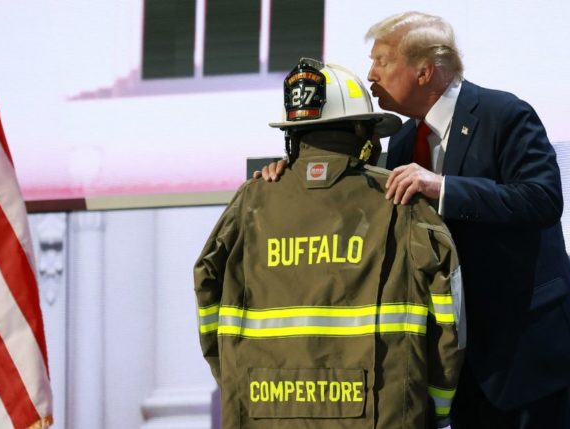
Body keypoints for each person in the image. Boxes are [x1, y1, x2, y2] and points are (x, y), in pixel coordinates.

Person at [257, 12, 570, 429]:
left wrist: (445, 187)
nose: (371, 75)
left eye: (381, 60)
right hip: (457, 355)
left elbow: (542, 199)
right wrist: (289, 174)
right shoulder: (403, 141)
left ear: (424, 71)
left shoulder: (504, 113)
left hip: (526, 352)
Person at [196, 59, 466, 428]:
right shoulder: (405, 206)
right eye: (372, 132)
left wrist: (236, 379)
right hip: (383, 413)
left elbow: (206, 287)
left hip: (262, 407)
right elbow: (448, 321)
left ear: (293, 135)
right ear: (360, 131)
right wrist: (437, 407)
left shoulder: (250, 203)